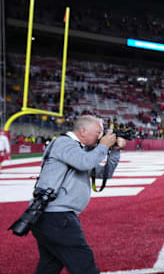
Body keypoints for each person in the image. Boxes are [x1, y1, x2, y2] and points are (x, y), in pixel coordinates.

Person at [30, 115, 124, 274]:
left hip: (52, 216)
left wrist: (114, 151)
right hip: (57, 216)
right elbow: (85, 163)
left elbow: (104, 173)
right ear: (83, 131)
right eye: (98, 132)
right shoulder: (64, 143)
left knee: (49, 266)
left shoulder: (78, 150)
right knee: (84, 265)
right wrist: (103, 146)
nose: (101, 136)